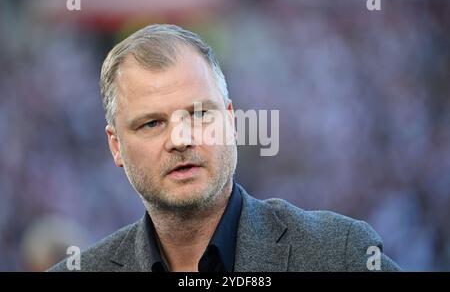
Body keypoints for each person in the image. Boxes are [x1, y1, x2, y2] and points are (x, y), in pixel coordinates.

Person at [49, 24, 401, 272]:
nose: (181, 139)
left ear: (231, 120)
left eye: (200, 113)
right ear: (116, 146)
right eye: (152, 123)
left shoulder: (339, 255)